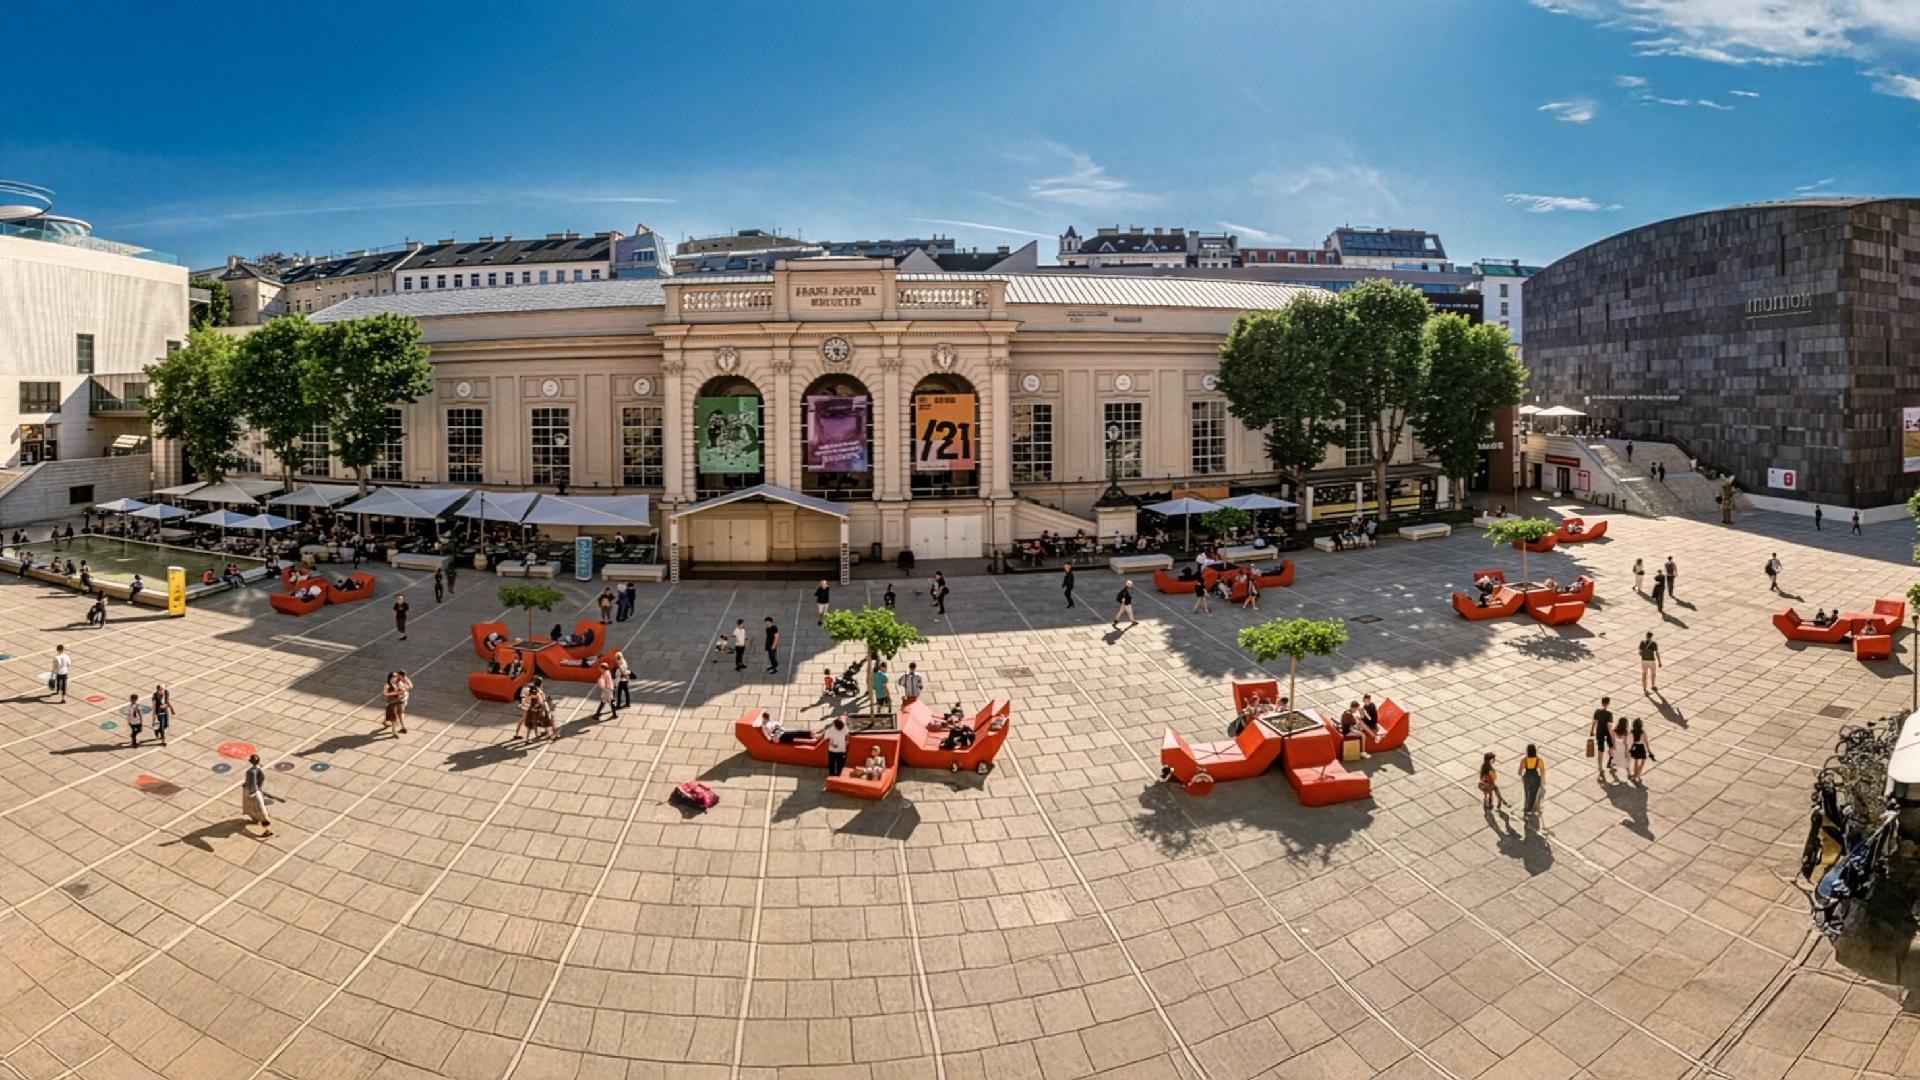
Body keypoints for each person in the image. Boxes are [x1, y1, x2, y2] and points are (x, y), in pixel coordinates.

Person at [242, 753, 273, 838]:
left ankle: (267, 830)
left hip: (252, 791)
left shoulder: (251, 772)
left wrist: (252, 792)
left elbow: (253, 783)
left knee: (259, 810)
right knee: (253, 807)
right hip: (256, 791)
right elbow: (261, 780)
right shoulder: (260, 769)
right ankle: (255, 818)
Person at [1518, 744, 1545, 817]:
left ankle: (1526, 807)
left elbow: (1520, 771)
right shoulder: (1539, 760)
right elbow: (1542, 770)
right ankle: (1530, 809)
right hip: (1535, 777)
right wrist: (1543, 780)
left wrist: (1521, 774)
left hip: (1527, 777)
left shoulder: (1524, 760)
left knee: (1527, 793)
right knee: (1533, 793)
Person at [1590, 696, 1614, 778]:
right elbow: (1609, 725)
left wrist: (1592, 731)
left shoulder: (1597, 712)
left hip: (1599, 732)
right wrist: (1612, 734)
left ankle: (1600, 767)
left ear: (1601, 703)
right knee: (1611, 746)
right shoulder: (1609, 714)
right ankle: (1611, 760)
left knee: (1600, 749)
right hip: (1607, 732)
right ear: (1608, 703)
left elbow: (1594, 722)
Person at [382, 672, 407, 737]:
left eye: (396, 677)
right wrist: (397, 693)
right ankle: (394, 731)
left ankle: (403, 727)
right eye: (394, 677)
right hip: (392, 703)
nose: (396, 678)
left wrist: (395, 693)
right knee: (394, 718)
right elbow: (385, 694)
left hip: (399, 701)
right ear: (391, 678)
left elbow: (403, 691)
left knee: (401, 714)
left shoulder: (399, 683)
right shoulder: (387, 685)